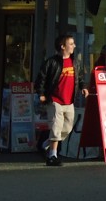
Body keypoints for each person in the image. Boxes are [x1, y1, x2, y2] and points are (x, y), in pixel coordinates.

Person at [36, 34, 88, 166]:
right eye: (71, 44)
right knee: (56, 126)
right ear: (62, 46)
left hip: (69, 101)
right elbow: (41, 78)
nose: (74, 46)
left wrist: (83, 87)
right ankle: (52, 155)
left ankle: (47, 143)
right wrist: (41, 94)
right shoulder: (52, 62)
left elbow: (79, 77)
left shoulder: (74, 61)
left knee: (68, 127)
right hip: (55, 100)